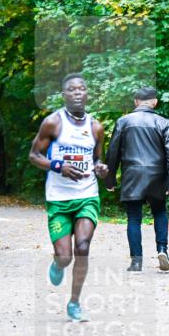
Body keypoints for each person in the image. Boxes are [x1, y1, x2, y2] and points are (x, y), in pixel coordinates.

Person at [28, 73, 109, 322]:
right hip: (59, 198)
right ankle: (58, 264)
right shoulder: (53, 123)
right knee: (65, 256)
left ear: (87, 94)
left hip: (87, 195)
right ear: (64, 95)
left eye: (81, 89)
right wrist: (57, 166)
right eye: (72, 89)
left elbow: (98, 159)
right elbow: (34, 155)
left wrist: (101, 168)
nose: (77, 92)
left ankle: (74, 302)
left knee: (83, 247)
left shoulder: (96, 127)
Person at [104, 86, 169, 272]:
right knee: (160, 212)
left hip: (132, 175)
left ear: (136, 102)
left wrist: (110, 179)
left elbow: (112, 152)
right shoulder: (163, 123)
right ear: (155, 102)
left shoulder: (123, 121)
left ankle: (136, 261)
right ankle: (162, 250)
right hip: (157, 175)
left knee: (134, 218)